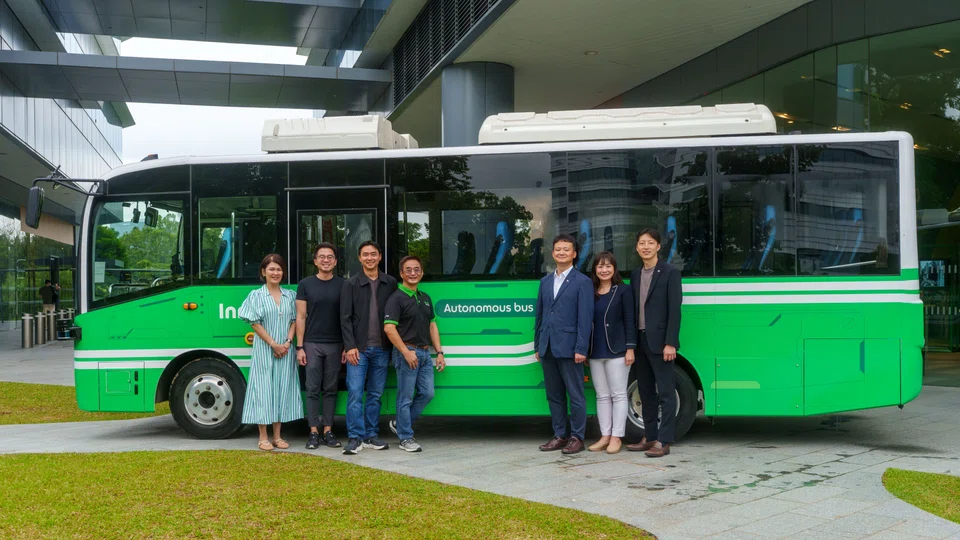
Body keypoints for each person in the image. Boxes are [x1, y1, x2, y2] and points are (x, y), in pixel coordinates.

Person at [534, 234, 594, 455]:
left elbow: (585, 319)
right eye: (558, 249)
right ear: (552, 253)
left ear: (574, 254)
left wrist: (581, 348)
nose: (561, 252)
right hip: (547, 347)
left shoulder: (582, 282)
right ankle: (560, 435)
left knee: (576, 394)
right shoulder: (545, 281)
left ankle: (577, 437)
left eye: (566, 249)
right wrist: (537, 346)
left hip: (570, 349)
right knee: (554, 394)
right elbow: (539, 315)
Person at [626, 228, 682, 458]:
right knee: (645, 391)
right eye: (642, 243)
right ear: (637, 247)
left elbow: (674, 310)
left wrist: (671, 343)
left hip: (660, 343)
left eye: (650, 243)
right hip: (640, 341)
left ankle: (664, 440)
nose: (646, 247)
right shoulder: (636, 274)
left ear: (658, 246)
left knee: (667, 393)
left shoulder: (670, 273)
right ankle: (649, 437)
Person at [238, 254, 302, 451]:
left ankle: (278, 435)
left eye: (279, 269)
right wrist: (274, 344)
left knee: (282, 389)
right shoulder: (255, 296)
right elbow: (254, 323)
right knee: (264, 391)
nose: (276, 273)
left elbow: (295, 320)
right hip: (265, 351)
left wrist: (287, 342)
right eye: (272, 269)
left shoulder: (290, 295)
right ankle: (263, 436)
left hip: (285, 350)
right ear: (263, 272)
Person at [340, 241, 397, 455]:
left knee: (375, 394)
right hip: (359, 350)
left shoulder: (390, 282)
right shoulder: (351, 284)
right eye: (365, 255)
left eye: (373, 254)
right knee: (355, 392)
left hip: (382, 349)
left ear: (380, 257)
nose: (370, 258)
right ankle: (354, 438)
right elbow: (344, 318)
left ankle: (371, 435)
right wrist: (350, 346)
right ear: (359, 258)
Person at [383, 255, 445, 452]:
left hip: (426, 354)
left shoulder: (425, 298)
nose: (412, 273)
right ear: (401, 273)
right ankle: (405, 438)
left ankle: (400, 424)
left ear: (421, 273)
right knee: (405, 397)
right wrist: (405, 352)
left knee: (427, 393)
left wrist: (440, 352)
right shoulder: (396, 298)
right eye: (408, 270)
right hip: (407, 353)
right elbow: (389, 329)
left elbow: (432, 326)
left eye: (416, 269)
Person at [296, 242, 345, 450]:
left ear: (335, 261)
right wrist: (300, 347)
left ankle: (328, 430)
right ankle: (313, 432)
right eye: (322, 257)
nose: (326, 260)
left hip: (336, 344)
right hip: (312, 343)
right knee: (313, 389)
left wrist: (347, 346)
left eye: (330, 257)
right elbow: (300, 316)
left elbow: (347, 318)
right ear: (315, 261)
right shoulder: (305, 284)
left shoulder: (344, 285)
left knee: (331, 389)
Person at [587, 251, 636, 454]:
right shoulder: (590, 290)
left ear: (614, 268)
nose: (604, 270)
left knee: (618, 394)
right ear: (595, 269)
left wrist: (630, 348)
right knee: (601, 395)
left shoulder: (623, 291)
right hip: (595, 351)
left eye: (608, 266)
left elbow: (629, 320)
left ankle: (617, 436)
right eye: (600, 266)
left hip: (617, 350)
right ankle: (605, 435)